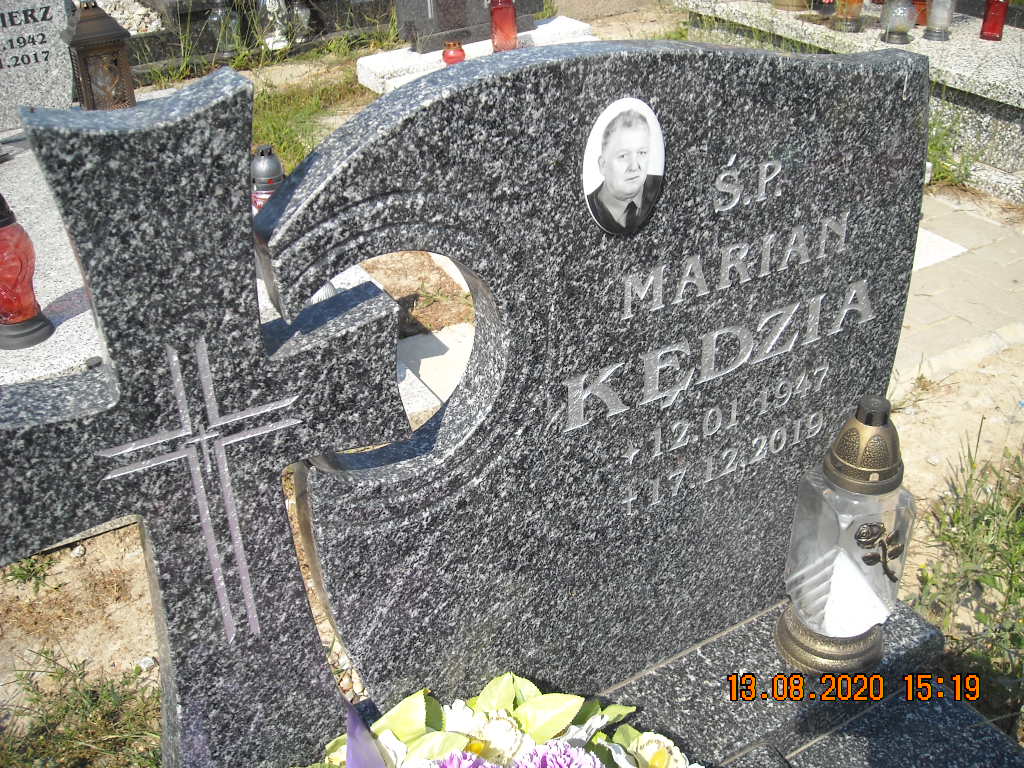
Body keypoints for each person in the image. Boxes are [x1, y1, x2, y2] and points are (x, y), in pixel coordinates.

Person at [586, 109, 663, 235]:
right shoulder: (592, 207)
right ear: (603, 165)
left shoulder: (657, 187)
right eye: (623, 156)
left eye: (642, 153)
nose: (634, 166)